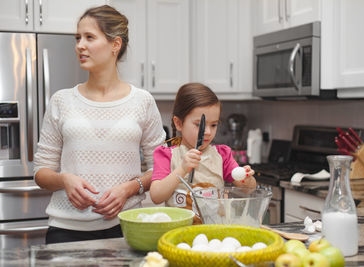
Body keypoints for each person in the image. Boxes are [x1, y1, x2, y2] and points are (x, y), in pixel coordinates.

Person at [33, 5, 165, 244]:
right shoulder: (61, 101)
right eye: (78, 38)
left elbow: (161, 168)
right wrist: (64, 180)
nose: (79, 45)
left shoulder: (142, 101)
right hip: (66, 230)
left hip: (127, 228)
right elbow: (41, 172)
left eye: (89, 37)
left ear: (115, 44)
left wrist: (128, 189)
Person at [149, 83, 256, 219]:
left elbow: (248, 190)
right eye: (199, 125)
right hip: (179, 234)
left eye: (214, 125)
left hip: (214, 232)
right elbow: (156, 196)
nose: (207, 132)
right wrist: (182, 168)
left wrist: (247, 179)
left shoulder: (222, 155)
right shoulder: (167, 155)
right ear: (179, 123)